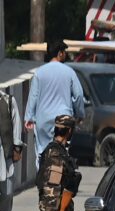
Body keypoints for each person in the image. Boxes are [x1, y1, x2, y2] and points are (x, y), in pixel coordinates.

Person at [24, 41, 85, 169]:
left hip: (43, 121)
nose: (65, 56)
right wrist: (79, 114)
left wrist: (28, 117)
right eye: (64, 53)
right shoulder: (69, 72)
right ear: (59, 53)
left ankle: (43, 183)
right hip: (63, 121)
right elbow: (78, 95)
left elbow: (33, 97)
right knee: (62, 151)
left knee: (42, 153)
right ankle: (59, 181)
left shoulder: (39, 73)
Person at [0, 91, 23, 211]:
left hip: (5, 151)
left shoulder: (8, 101)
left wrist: (17, 147)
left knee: (7, 191)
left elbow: (16, 124)